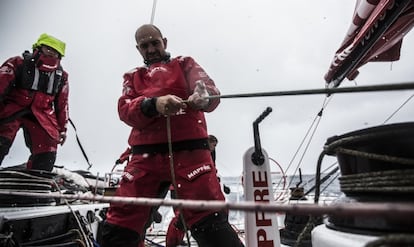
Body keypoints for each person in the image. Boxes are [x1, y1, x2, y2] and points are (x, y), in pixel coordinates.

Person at [101, 24, 243, 247]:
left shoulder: (185, 63)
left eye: (155, 43)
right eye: (144, 45)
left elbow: (210, 92)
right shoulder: (132, 77)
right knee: (118, 227)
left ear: (164, 42)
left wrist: (203, 96)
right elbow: (126, 111)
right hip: (144, 161)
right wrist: (154, 104)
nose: (150, 49)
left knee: (211, 223)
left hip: (191, 158)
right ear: (138, 49)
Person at [0, 33, 69, 171]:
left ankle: (37, 180)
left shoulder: (61, 76)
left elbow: (62, 104)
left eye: (55, 52)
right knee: (2, 139)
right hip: (11, 110)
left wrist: (62, 128)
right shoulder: (17, 63)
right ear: (38, 48)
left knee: (47, 147)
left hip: (42, 115)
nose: (51, 53)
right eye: (48, 49)